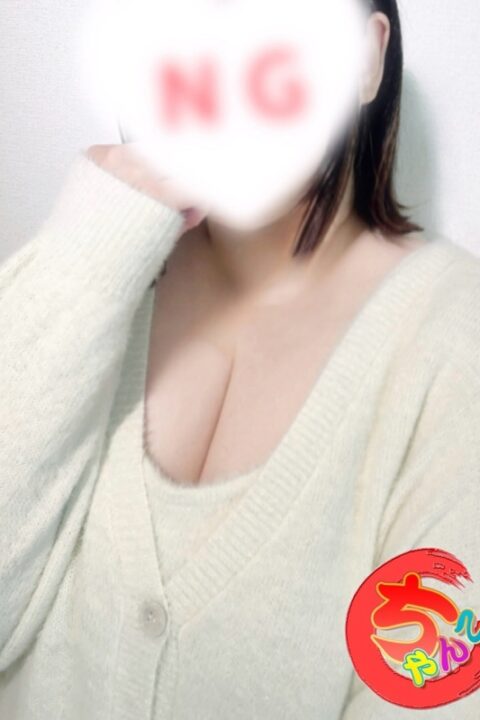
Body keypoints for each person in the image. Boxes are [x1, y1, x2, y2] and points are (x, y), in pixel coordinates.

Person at [1, 1, 480, 718]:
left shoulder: (455, 344)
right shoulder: (85, 267)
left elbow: (432, 681)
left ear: (364, 59)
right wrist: (82, 259)